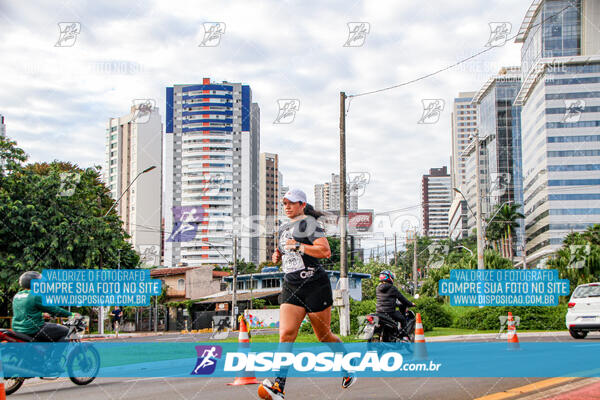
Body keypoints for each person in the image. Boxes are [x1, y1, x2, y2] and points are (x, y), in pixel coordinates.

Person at [258, 188, 356, 400]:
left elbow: (325, 251)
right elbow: (287, 252)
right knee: (286, 335)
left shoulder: (311, 225)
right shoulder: (284, 227)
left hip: (314, 285)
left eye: (291, 203)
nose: (287, 206)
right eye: (284, 203)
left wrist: (299, 247)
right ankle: (278, 385)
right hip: (292, 286)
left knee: (324, 336)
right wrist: (277, 255)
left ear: (302, 204)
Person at [12, 271, 76, 342]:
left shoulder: (17, 295)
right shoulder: (35, 295)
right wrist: (72, 314)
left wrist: (42, 314)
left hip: (17, 328)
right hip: (33, 329)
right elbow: (54, 309)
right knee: (67, 331)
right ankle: (57, 353)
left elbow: (24, 311)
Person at [375, 270, 415, 338]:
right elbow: (402, 299)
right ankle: (403, 335)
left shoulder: (378, 288)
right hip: (389, 312)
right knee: (402, 319)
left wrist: (395, 304)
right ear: (390, 278)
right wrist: (411, 304)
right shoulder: (392, 288)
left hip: (379, 312)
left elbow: (385, 300)